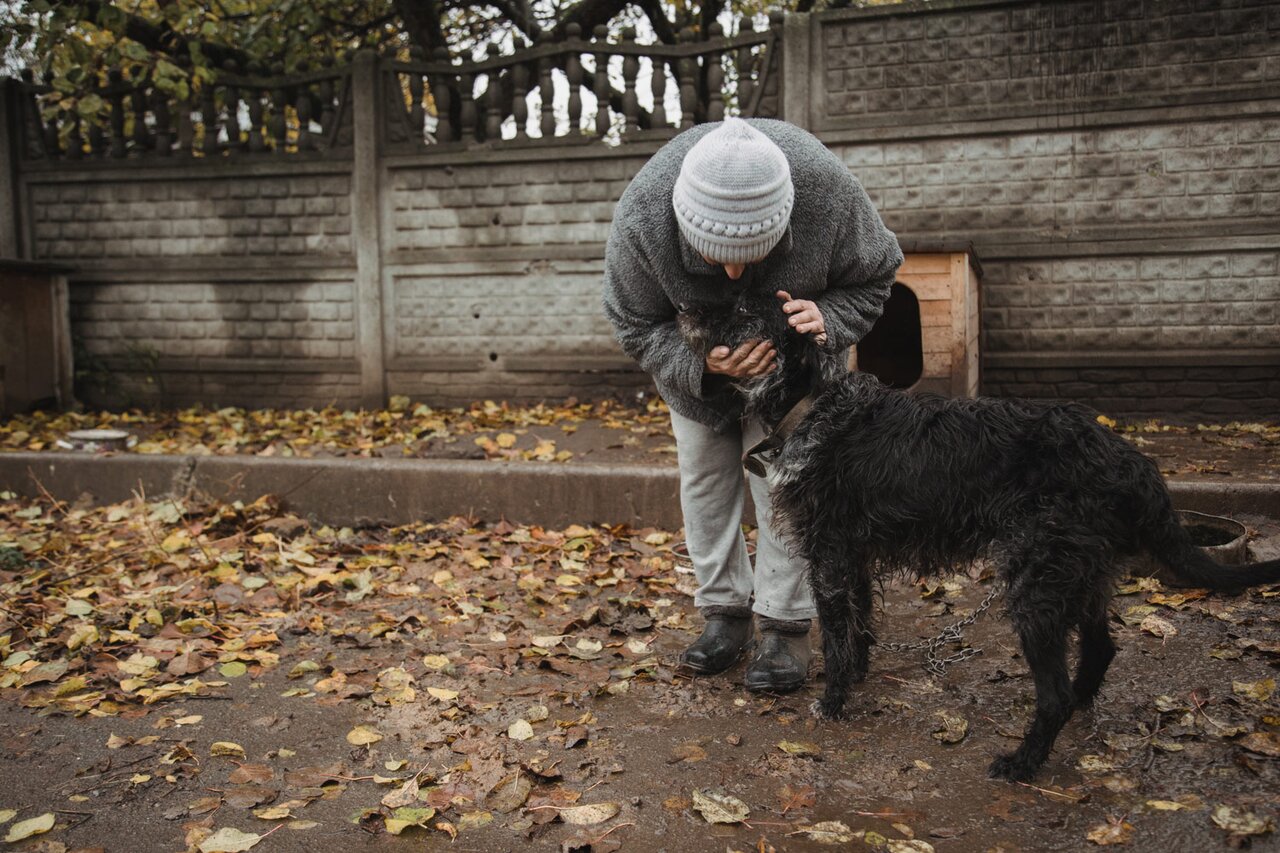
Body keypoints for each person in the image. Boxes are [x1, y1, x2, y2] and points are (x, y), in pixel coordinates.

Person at [602, 117, 902, 693]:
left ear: (787, 219)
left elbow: (876, 275)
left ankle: (785, 628)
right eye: (717, 260)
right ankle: (723, 614)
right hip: (698, 384)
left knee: (787, 494)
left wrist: (831, 319)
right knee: (706, 486)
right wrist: (701, 366)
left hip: (799, 380)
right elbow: (633, 321)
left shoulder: (828, 191)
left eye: (750, 256)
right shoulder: (643, 215)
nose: (734, 273)